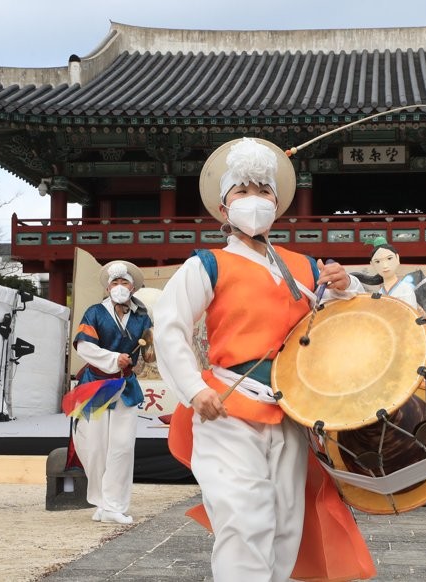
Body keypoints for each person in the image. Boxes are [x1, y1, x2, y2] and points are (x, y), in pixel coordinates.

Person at [154, 137, 374, 581]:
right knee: (244, 518)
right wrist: (194, 390)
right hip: (227, 410)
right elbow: (169, 325)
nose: (254, 200)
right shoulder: (207, 264)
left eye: (264, 192)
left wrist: (347, 284)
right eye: (242, 191)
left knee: (285, 525)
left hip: (290, 410)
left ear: (278, 204)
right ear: (223, 206)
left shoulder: (307, 267)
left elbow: (350, 321)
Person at [71, 260, 153, 525]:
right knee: (93, 446)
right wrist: (113, 358)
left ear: (133, 287)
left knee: (122, 446)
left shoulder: (142, 316)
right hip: (96, 384)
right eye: (115, 283)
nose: (119, 287)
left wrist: (147, 355)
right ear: (108, 288)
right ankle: (101, 501)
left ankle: (114, 505)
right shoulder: (94, 312)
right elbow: (83, 346)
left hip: (126, 386)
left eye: (124, 282)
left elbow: (146, 352)